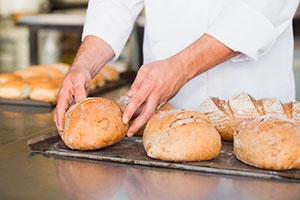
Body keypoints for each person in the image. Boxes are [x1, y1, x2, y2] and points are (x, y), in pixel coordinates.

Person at [54, 0, 300, 137]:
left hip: (256, 118)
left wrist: (180, 68)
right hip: (163, 117)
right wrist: (83, 65)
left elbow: (260, 10)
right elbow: (114, 5)